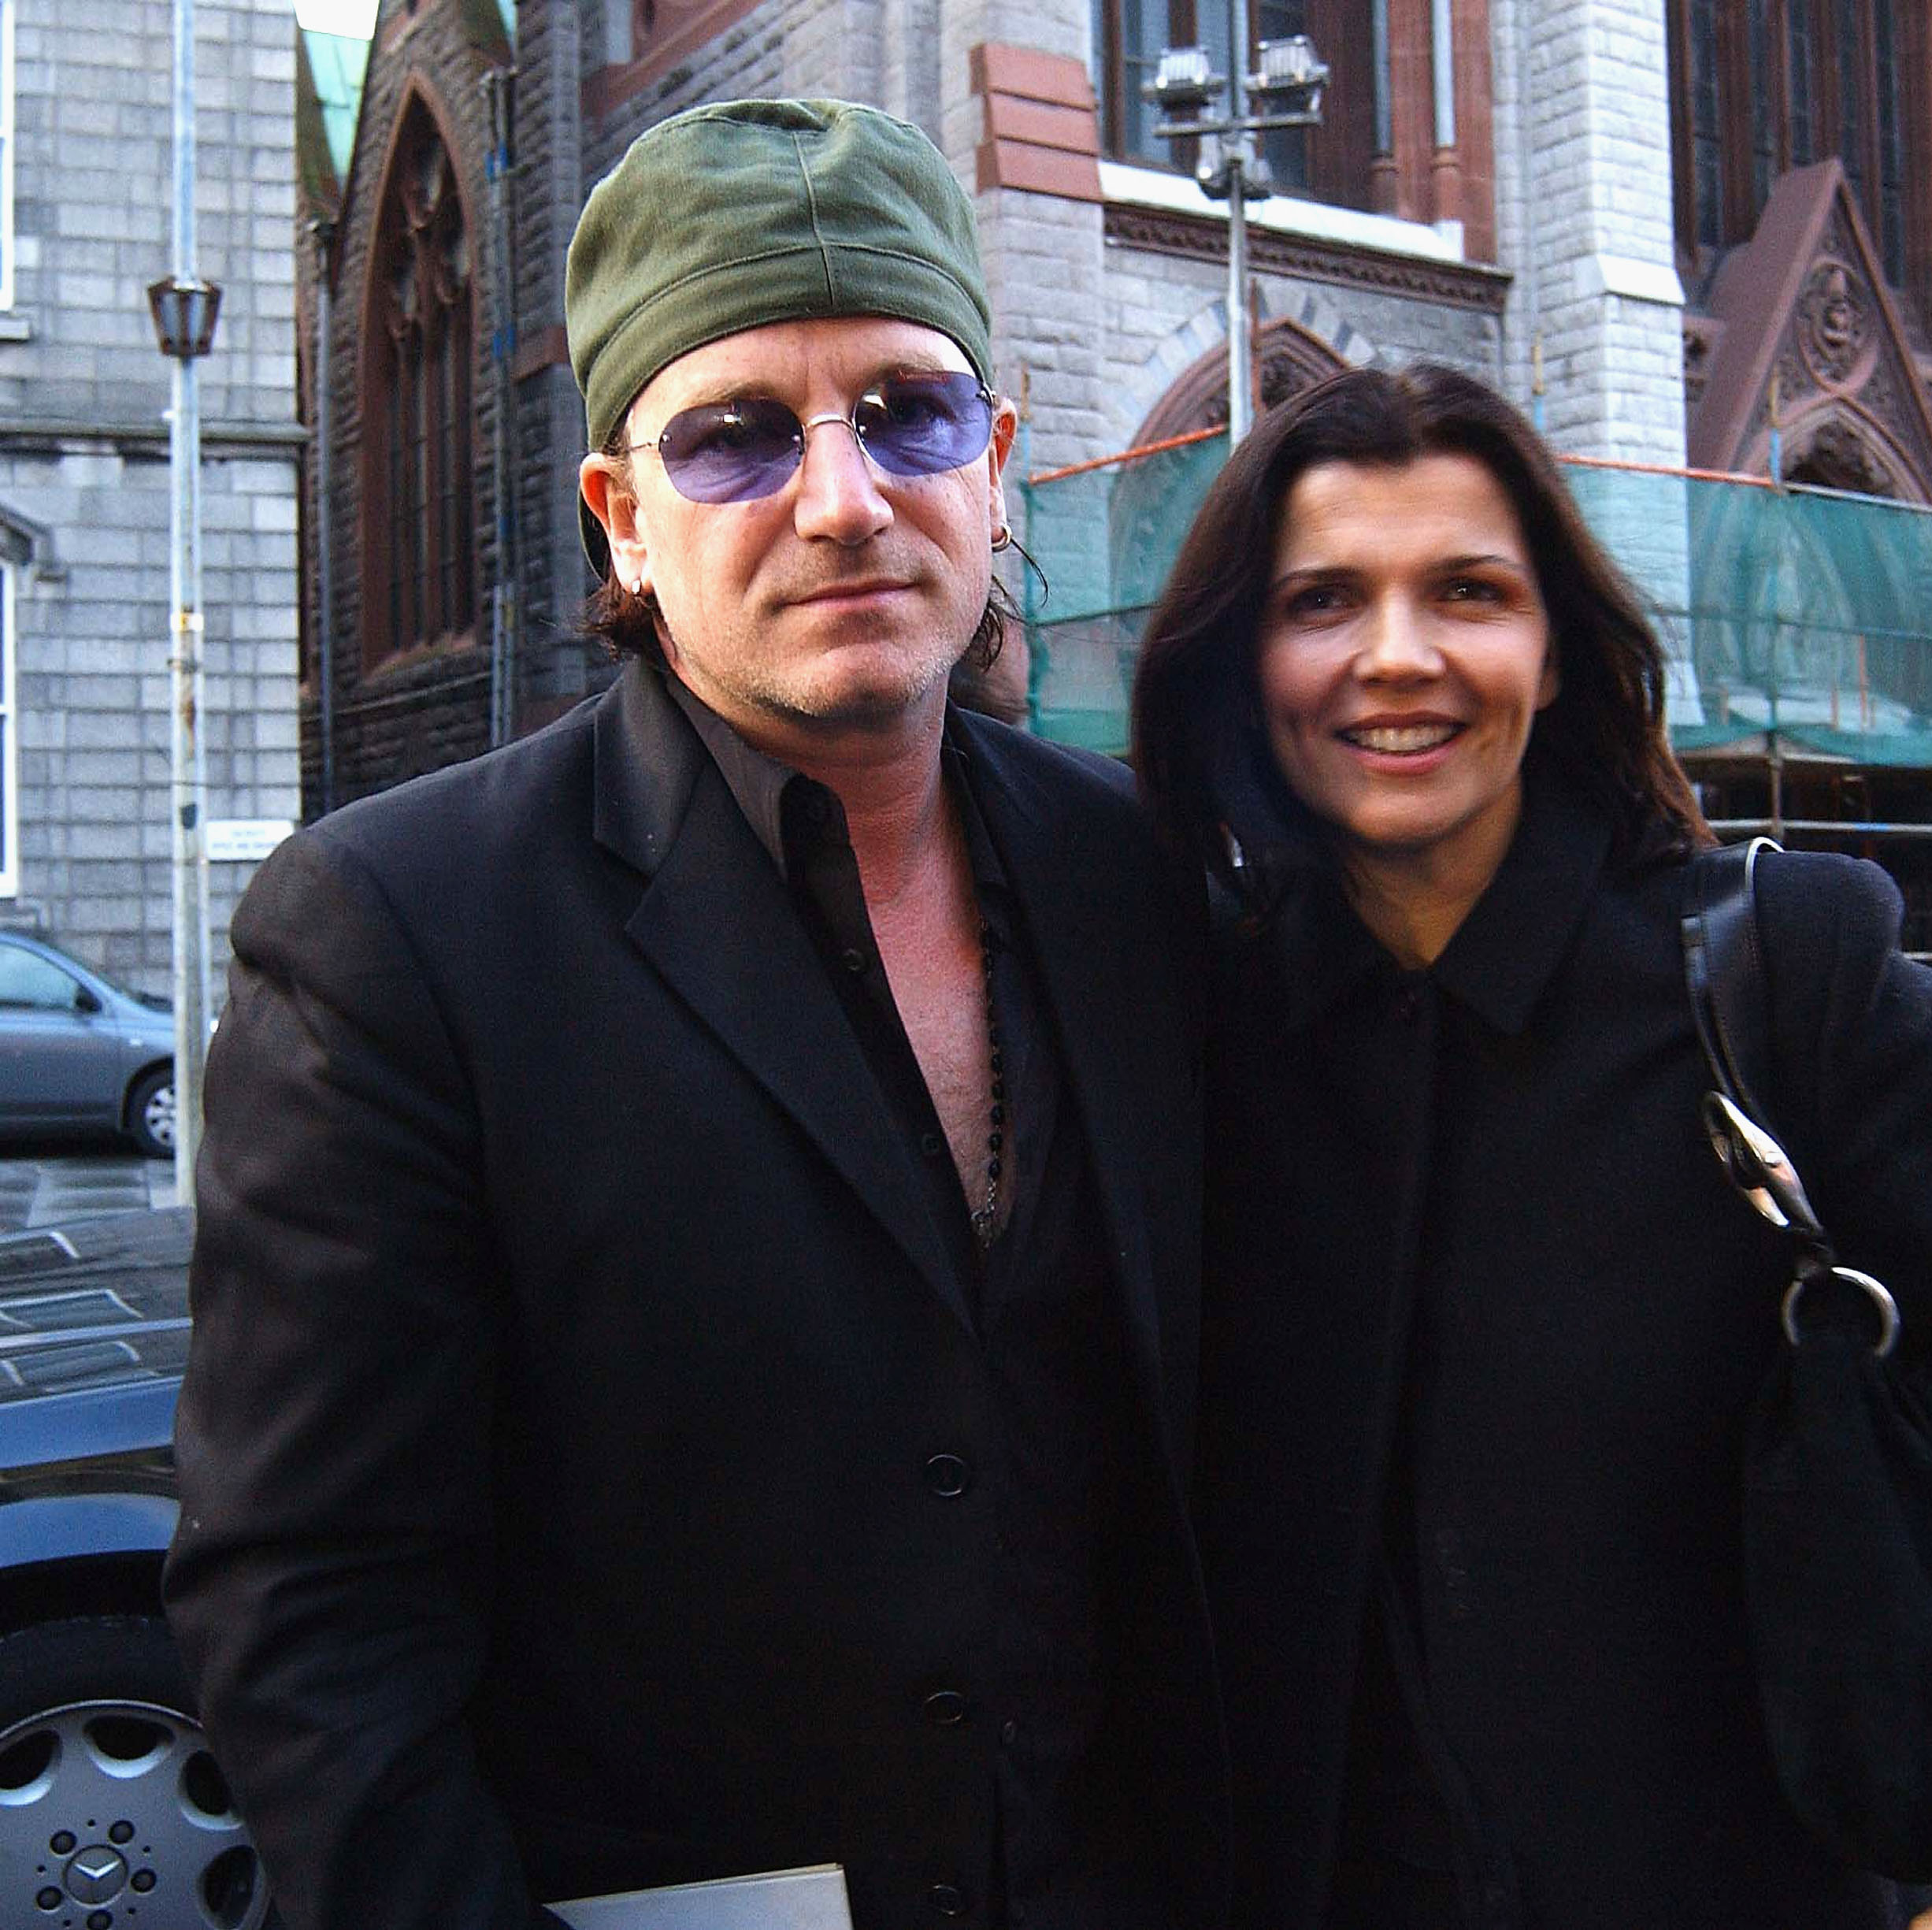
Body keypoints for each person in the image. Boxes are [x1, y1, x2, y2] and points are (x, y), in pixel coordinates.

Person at [164, 98, 1224, 1930]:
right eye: (736, 440)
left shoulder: (1137, 880)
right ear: (622, 522)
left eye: (909, 412)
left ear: (996, 464)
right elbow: (320, 1631)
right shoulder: (401, 937)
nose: (843, 497)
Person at [1129, 362, 1932, 1930]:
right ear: (1242, 666)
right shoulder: (1182, 1024)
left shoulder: (1779, 972)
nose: (1399, 657)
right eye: (1324, 600)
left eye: (1469, 591)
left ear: (1556, 648)